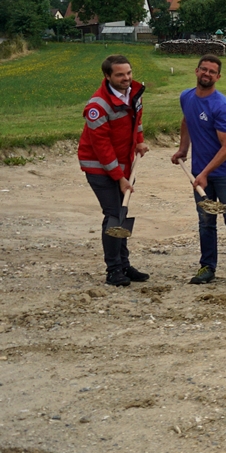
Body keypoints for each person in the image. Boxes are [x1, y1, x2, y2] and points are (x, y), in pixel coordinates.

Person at [171, 55, 226, 285]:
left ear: (218, 77)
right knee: (206, 220)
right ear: (196, 71)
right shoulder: (186, 97)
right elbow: (187, 121)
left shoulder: (221, 107)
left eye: (212, 71)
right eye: (204, 69)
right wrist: (183, 149)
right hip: (200, 171)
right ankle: (207, 267)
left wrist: (204, 173)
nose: (207, 74)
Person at [79, 54, 149, 286]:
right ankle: (113, 270)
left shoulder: (134, 94)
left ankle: (124, 265)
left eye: (128, 73)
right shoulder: (97, 106)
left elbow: (137, 120)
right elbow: (102, 147)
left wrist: (139, 141)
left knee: (122, 213)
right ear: (107, 76)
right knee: (114, 215)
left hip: (124, 165)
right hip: (99, 167)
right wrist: (119, 177)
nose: (126, 78)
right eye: (120, 75)